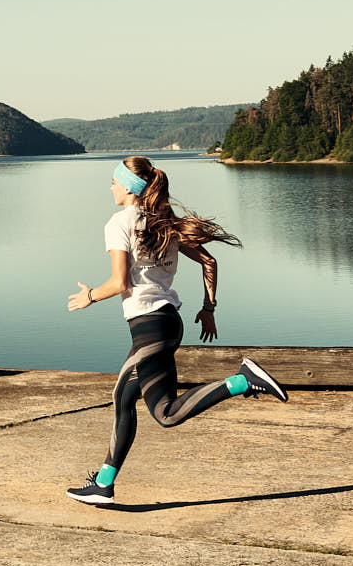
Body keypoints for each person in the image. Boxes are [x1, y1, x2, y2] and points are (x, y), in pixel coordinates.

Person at [62, 154, 286, 507]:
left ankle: (242, 381)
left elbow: (119, 282)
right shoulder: (165, 223)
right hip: (166, 323)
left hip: (150, 327)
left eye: (114, 181)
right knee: (163, 412)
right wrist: (208, 307)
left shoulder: (120, 223)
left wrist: (89, 295)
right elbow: (210, 261)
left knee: (123, 397)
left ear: (128, 187)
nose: (110, 186)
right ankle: (103, 483)